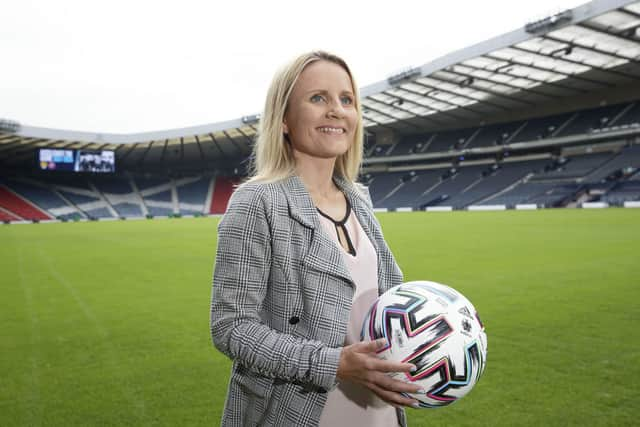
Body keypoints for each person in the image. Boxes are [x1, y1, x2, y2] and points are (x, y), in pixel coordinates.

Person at [210, 51, 421, 427]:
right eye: (317, 98)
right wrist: (334, 363)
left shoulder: (359, 198)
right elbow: (232, 328)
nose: (336, 111)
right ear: (285, 119)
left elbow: (384, 302)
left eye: (347, 99)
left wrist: (439, 322)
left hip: (379, 411)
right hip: (299, 414)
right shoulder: (256, 202)